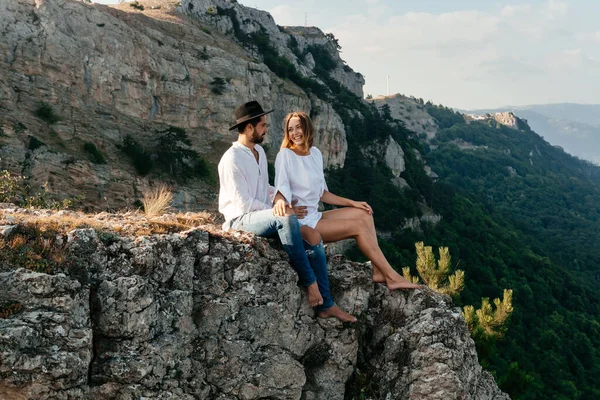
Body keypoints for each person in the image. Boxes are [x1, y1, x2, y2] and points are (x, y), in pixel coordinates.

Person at [218, 101, 357, 322]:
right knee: (285, 217)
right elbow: (242, 203)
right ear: (249, 128)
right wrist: (278, 208)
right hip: (239, 220)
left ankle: (327, 305)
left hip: (262, 215)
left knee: (313, 235)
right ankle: (311, 284)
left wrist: (283, 198)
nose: (266, 129)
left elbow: (266, 189)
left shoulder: (259, 153)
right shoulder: (232, 159)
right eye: (262, 125)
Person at [274, 111, 422, 290]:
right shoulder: (286, 156)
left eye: (298, 127)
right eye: (290, 129)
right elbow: (279, 190)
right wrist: (287, 207)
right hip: (303, 221)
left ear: (307, 128)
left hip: (316, 215)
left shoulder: (315, 154)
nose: (295, 133)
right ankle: (393, 277)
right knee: (358, 227)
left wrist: (353, 203)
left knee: (364, 213)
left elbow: (323, 194)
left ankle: (377, 269)